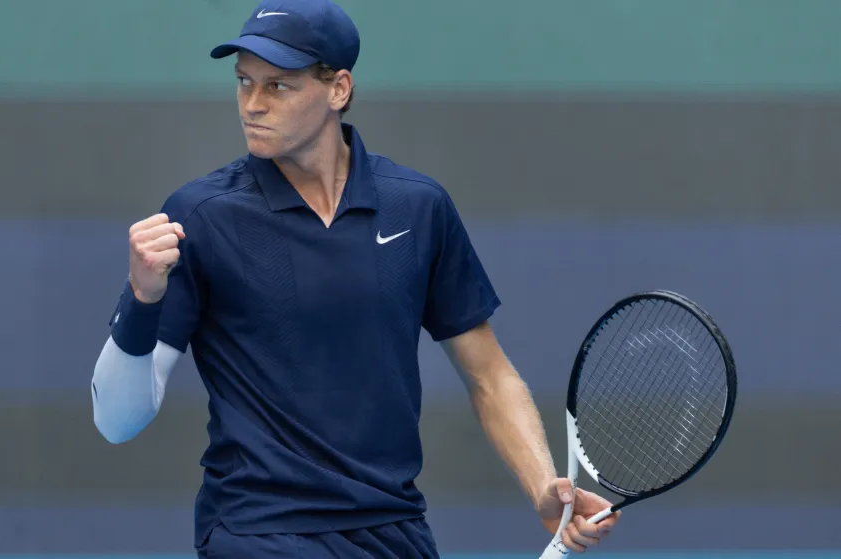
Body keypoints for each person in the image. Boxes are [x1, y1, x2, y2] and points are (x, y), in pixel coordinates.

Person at [90, 0, 620, 557]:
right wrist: (143, 297)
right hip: (260, 532)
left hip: (394, 531)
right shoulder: (200, 216)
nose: (253, 104)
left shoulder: (418, 207)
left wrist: (542, 488)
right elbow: (116, 421)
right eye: (244, 82)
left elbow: (489, 375)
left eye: (278, 86)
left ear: (338, 89)